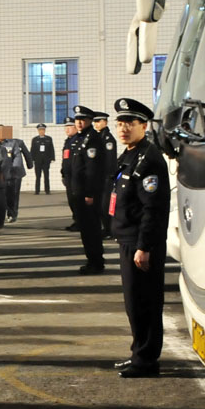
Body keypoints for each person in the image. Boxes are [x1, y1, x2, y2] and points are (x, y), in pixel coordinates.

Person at [109, 98, 170, 378]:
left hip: (140, 244)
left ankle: (146, 360)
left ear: (143, 126)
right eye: (120, 124)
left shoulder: (149, 159)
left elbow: (153, 208)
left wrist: (144, 246)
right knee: (134, 303)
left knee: (144, 302)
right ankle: (138, 354)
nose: (123, 129)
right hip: (129, 239)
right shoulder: (130, 155)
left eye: (129, 124)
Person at [69, 106, 106, 274]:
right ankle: (92, 259)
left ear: (91, 120)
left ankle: (96, 262)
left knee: (91, 228)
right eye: (77, 119)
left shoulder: (92, 139)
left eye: (82, 119)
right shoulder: (79, 138)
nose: (79, 122)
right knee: (85, 228)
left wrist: (90, 193)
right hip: (79, 192)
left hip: (87, 194)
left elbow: (93, 170)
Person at [93, 111, 118, 239]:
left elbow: (109, 160)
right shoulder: (99, 137)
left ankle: (110, 230)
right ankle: (106, 228)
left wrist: (107, 175)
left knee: (106, 205)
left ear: (105, 122)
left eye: (98, 121)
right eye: (95, 122)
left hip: (107, 177)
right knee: (100, 205)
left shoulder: (108, 139)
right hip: (99, 177)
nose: (96, 124)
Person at [1, 130, 32, 223]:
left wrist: (29, 165)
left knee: (13, 194)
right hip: (2, 173)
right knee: (2, 194)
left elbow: (26, 154)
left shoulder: (17, 142)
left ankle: (12, 213)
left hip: (16, 173)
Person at [61, 117, 79, 231]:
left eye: (70, 127)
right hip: (68, 176)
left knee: (77, 200)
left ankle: (80, 222)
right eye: (66, 127)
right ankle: (76, 220)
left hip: (75, 176)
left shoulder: (78, 141)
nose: (67, 130)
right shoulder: (68, 141)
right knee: (71, 200)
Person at [30, 123, 55, 194]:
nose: (41, 131)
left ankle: (47, 190)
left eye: (43, 130)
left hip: (46, 160)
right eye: (40, 130)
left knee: (46, 176)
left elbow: (51, 149)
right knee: (38, 176)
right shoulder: (35, 139)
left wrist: (52, 158)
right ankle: (37, 190)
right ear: (38, 131)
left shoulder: (49, 139)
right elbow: (32, 150)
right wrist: (31, 159)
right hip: (38, 161)